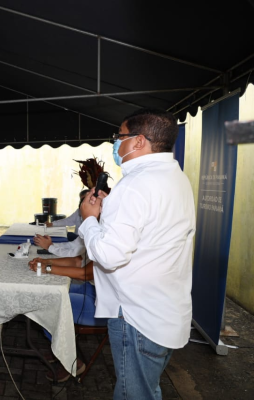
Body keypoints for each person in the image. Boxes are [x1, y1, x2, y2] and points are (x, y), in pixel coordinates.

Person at [79, 108, 195, 399]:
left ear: (139, 141)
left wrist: (89, 220)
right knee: (148, 389)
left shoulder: (134, 185)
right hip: (165, 311)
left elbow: (109, 256)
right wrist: (110, 210)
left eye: (120, 136)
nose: (116, 143)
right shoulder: (176, 177)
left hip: (137, 317)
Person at [28, 257, 106, 383]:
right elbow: (77, 261)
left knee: (48, 303)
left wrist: (47, 268)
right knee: (48, 292)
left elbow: (84, 274)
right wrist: (46, 262)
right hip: (92, 288)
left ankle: (69, 360)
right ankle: (57, 347)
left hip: (103, 306)